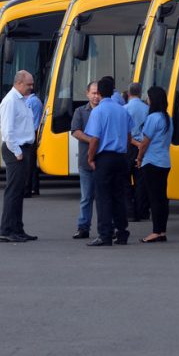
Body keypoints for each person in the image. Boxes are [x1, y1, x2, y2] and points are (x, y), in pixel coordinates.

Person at [84, 76, 134, 246]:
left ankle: (105, 234)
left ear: (100, 93)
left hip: (104, 157)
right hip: (120, 157)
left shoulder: (98, 111)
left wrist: (90, 157)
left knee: (103, 197)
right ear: (113, 91)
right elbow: (129, 136)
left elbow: (94, 139)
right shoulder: (123, 110)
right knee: (119, 195)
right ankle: (122, 232)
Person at [0, 70, 38, 243]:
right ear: (19, 83)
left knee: (19, 191)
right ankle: (6, 230)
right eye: (29, 84)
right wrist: (17, 151)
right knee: (13, 191)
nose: (31, 87)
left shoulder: (23, 100)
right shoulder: (10, 101)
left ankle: (17, 228)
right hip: (15, 149)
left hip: (23, 148)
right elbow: (8, 131)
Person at [136, 86, 174, 243]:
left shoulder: (153, 118)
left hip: (151, 162)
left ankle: (156, 232)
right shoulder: (167, 118)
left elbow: (145, 142)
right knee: (162, 198)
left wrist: (139, 158)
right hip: (164, 162)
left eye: (148, 97)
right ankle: (162, 231)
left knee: (153, 198)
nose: (147, 99)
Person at [70, 81, 100, 239]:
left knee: (104, 197)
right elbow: (75, 131)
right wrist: (91, 140)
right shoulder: (80, 111)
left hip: (102, 161)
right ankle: (83, 227)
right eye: (93, 93)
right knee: (86, 196)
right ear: (87, 93)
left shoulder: (105, 111)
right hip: (85, 160)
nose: (96, 96)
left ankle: (107, 227)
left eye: (98, 93)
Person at [124, 82, 149, 221]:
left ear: (128, 93)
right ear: (140, 93)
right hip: (143, 147)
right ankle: (142, 211)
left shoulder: (124, 109)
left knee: (125, 180)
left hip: (128, 147)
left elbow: (124, 131)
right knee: (141, 181)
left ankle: (129, 212)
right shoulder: (147, 109)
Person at [24, 89, 43, 198]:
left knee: (28, 163)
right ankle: (34, 188)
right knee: (32, 163)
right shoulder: (36, 100)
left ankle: (27, 189)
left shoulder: (30, 102)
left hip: (31, 132)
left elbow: (27, 119)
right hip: (35, 132)